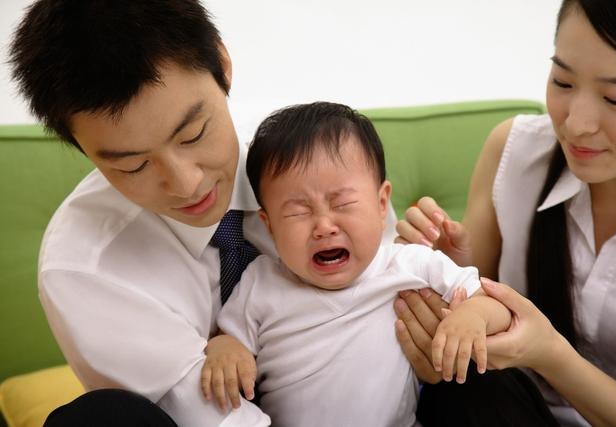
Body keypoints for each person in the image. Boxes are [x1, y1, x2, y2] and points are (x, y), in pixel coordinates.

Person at [8, 1, 398, 426]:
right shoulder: (85, 266)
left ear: (223, 66)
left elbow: (397, 304)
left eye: (193, 134)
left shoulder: (313, 159)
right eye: (133, 166)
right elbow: (211, 418)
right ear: (82, 149)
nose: (185, 184)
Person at [395, 0, 616, 426]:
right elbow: (470, 316)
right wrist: (440, 270)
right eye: (562, 81)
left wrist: (550, 355)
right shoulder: (517, 153)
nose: (576, 124)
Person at [200, 102, 512, 427]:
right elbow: (228, 338)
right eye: (298, 211)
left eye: (343, 203)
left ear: (381, 204)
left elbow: (497, 305)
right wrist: (226, 351)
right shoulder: (261, 282)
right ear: (269, 226)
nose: (324, 226)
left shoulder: (410, 264)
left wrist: (474, 316)